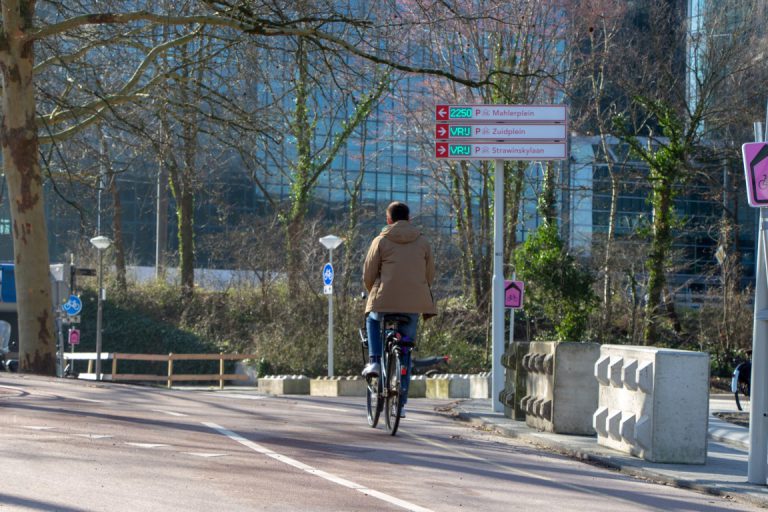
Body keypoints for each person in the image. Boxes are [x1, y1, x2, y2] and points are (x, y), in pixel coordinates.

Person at [362, 201, 437, 414]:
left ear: (388, 219)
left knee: (373, 319)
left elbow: (368, 275)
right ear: (409, 218)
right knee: (406, 350)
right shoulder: (423, 242)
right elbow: (429, 275)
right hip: (414, 304)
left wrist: (374, 292)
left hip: (384, 301)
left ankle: (375, 361)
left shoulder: (381, 241)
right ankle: (401, 404)